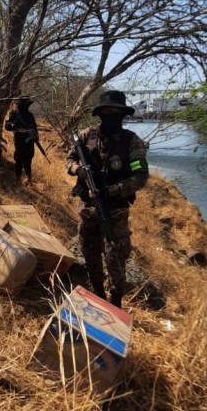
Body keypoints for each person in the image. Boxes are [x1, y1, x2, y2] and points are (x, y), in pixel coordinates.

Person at [66, 90, 149, 308]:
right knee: (90, 254)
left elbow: (140, 177)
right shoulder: (87, 136)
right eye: (106, 112)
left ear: (122, 114)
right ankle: (98, 295)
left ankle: (115, 302)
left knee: (115, 257)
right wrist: (78, 171)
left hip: (115, 211)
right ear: (100, 113)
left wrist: (111, 190)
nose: (110, 115)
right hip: (88, 208)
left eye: (115, 112)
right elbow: (70, 160)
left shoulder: (132, 141)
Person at [5, 96, 39, 182]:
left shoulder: (30, 115)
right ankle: (18, 180)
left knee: (28, 160)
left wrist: (35, 136)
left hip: (30, 142)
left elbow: (35, 129)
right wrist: (17, 129)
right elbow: (7, 126)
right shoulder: (14, 113)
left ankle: (29, 180)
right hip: (19, 141)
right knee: (19, 160)